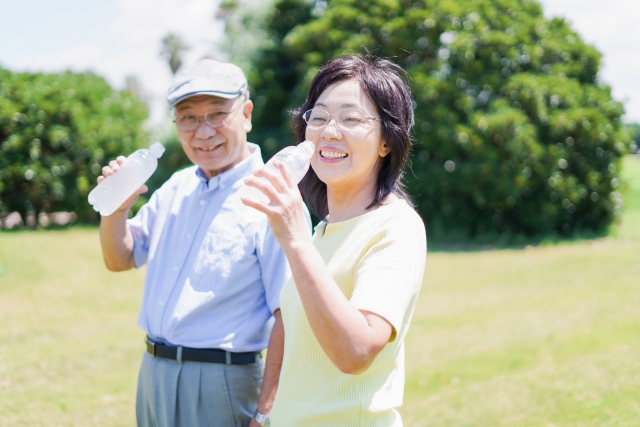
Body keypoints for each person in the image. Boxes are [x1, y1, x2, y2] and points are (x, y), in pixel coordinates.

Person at [98, 59, 298, 427]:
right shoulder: (176, 187)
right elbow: (120, 258)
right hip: (153, 372)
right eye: (188, 117)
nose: (203, 131)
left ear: (247, 114)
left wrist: (266, 411)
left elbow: (290, 313)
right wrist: (116, 208)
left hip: (223, 382)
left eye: (218, 113)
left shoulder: (272, 196)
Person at [241, 55, 427, 426]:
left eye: (351, 119)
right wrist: (265, 415)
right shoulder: (322, 230)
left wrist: (295, 241)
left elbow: (356, 351)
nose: (329, 131)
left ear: (386, 142)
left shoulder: (396, 226)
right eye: (319, 116)